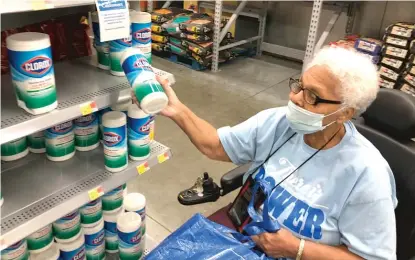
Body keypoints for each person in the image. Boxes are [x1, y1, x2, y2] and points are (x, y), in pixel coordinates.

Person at [134, 46, 397, 260]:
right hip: (242, 237)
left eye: (313, 96)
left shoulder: (366, 173)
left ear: (345, 113)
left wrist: (297, 249)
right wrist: (177, 110)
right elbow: (215, 145)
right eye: (299, 86)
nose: (295, 99)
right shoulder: (278, 122)